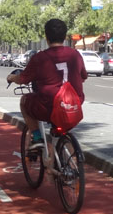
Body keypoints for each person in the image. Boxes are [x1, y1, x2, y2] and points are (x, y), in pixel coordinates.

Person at [6, 19, 88, 153]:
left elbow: (23, 79)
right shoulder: (75, 55)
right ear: (65, 36)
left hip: (48, 107)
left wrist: (11, 78)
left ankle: (37, 138)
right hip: (73, 106)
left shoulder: (40, 58)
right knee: (60, 132)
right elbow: (84, 76)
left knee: (25, 101)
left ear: (46, 36)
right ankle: (71, 167)